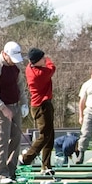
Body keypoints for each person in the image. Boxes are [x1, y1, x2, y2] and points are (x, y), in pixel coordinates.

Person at [0, 41, 29, 183]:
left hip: (15, 105)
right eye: (11, 58)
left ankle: (11, 171)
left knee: (16, 139)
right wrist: (3, 108)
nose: (13, 62)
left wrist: (24, 103)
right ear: (4, 53)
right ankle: (1, 173)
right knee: (2, 140)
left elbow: (20, 85)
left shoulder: (15, 66)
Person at [19, 48, 57, 176]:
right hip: (42, 106)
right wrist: (48, 59)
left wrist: (43, 59)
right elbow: (52, 68)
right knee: (44, 136)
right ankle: (26, 158)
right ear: (38, 61)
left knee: (50, 136)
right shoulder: (40, 73)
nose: (44, 59)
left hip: (39, 105)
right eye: (42, 58)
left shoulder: (30, 69)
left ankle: (46, 165)